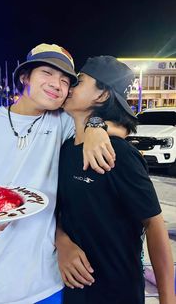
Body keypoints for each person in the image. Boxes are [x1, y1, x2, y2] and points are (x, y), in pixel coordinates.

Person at [0, 44, 118, 304]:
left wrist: (95, 127)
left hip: (46, 283)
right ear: (25, 77)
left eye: (65, 80)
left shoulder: (63, 123)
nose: (57, 84)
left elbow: (109, 121)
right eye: (47, 73)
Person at [56, 56, 175, 304]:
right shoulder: (66, 149)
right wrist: (62, 241)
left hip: (117, 290)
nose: (69, 85)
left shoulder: (118, 153)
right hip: (74, 290)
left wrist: (167, 298)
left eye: (78, 81)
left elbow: (154, 225)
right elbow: (63, 211)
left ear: (101, 96)